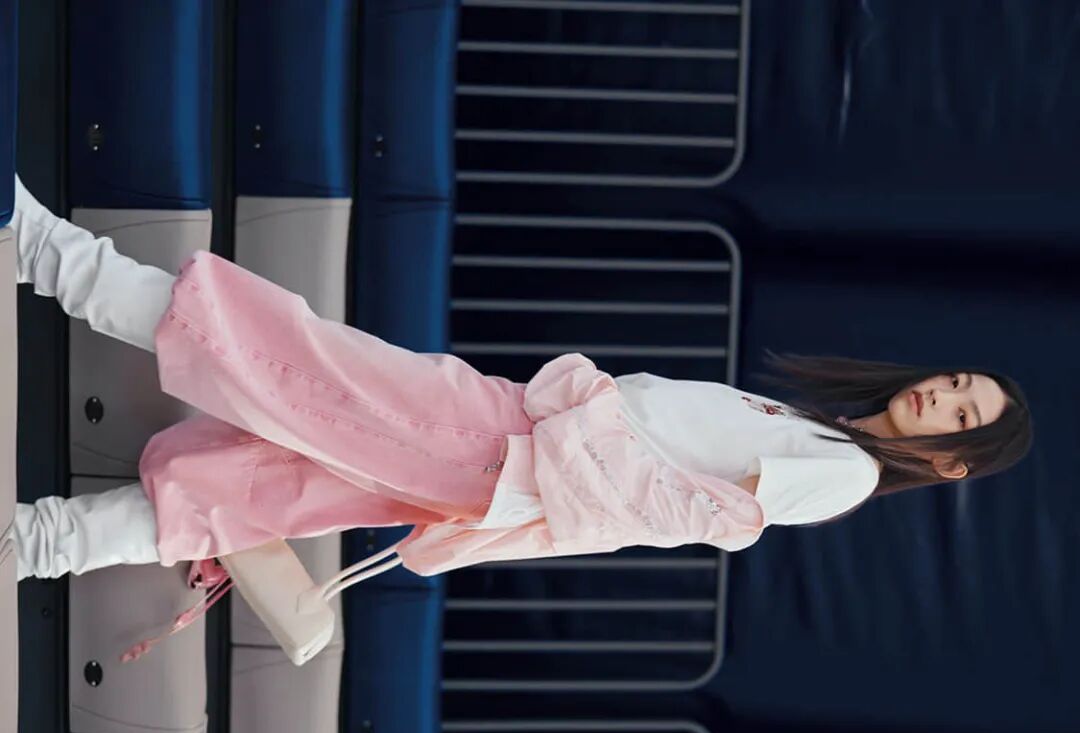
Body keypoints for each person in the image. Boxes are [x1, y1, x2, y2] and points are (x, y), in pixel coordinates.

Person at [10, 175, 1033, 589]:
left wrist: (587, 416)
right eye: (955, 382)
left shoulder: (843, 474)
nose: (941, 397)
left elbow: (696, 515)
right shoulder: (826, 434)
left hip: (510, 452)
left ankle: (47, 252)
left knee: (285, 356)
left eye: (962, 414)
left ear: (952, 462)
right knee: (274, 478)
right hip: (507, 451)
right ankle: (38, 545)